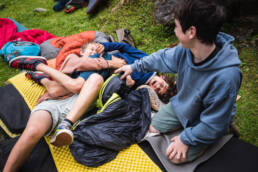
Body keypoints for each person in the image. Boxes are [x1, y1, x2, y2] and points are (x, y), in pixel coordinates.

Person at [3, 41, 175, 172]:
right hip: (87, 79)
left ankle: (39, 73)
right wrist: (104, 49)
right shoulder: (139, 60)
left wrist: (129, 86)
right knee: (33, 131)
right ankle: (39, 68)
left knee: (67, 86)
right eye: (161, 84)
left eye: (159, 90)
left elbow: (122, 96)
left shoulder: (140, 88)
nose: (157, 86)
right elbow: (121, 47)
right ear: (162, 76)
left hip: (87, 93)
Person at [115, 0, 242, 164]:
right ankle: (186, 126)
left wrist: (186, 139)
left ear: (191, 32)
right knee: (152, 127)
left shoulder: (226, 77)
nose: (175, 31)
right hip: (183, 105)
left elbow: (214, 122)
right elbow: (161, 58)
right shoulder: (186, 50)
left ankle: (217, 136)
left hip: (210, 120)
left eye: (176, 26)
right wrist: (134, 67)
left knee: (173, 157)